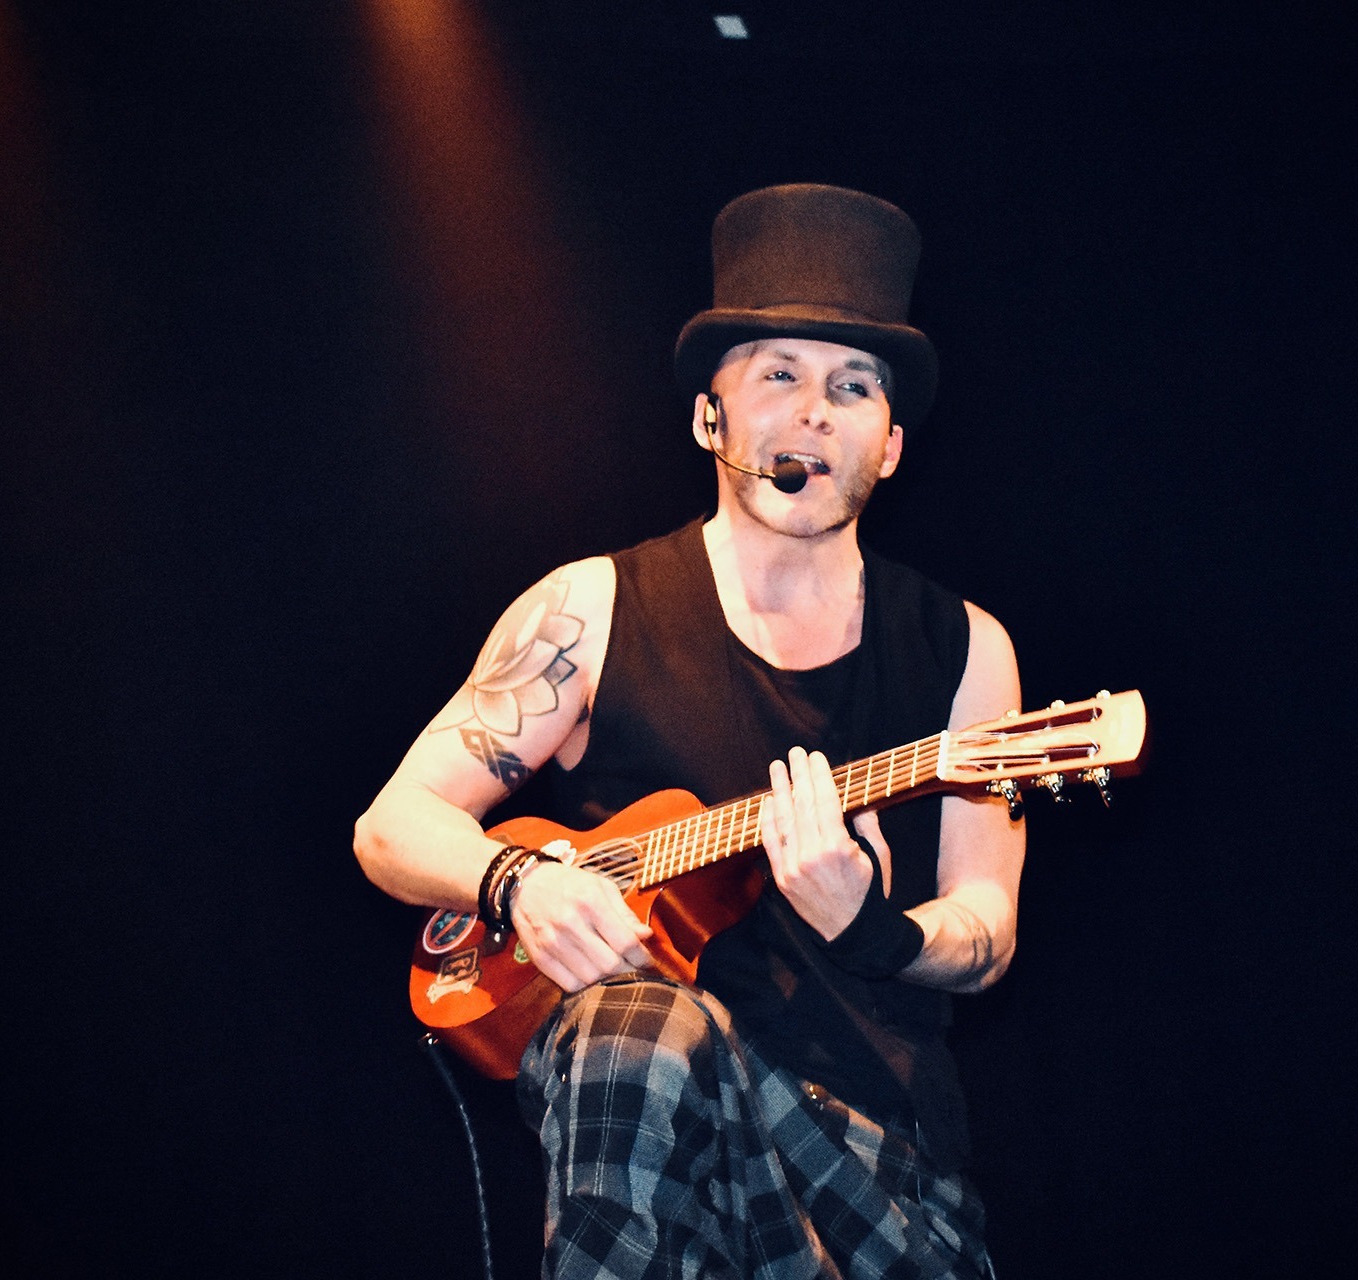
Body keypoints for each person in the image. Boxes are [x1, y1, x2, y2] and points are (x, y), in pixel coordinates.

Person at [355, 183, 1023, 1279]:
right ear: (711, 419)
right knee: (640, 1028)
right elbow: (392, 826)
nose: (815, 412)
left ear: (893, 444)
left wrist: (874, 929)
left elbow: (987, 928)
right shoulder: (586, 608)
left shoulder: (964, 646)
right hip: (642, 1116)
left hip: (869, 1147)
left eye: (853, 386)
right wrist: (520, 884)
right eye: (780, 375)